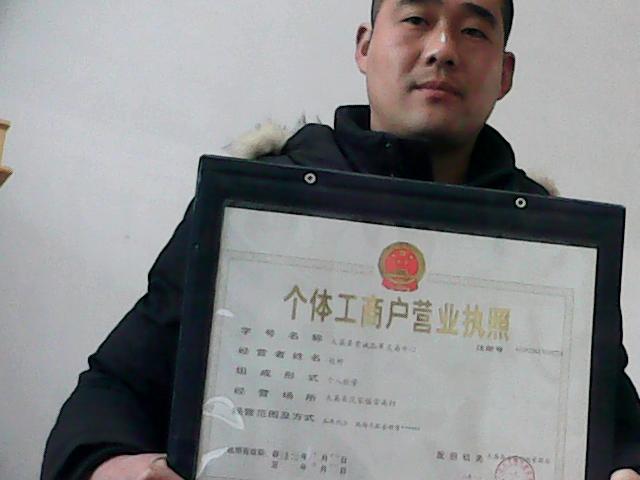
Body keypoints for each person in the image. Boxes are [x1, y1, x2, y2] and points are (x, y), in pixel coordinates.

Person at [41, 0, 640, 479]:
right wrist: (115, 466)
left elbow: (615, 430)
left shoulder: (551, 249)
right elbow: (118, 386)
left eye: (473, 30)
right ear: (364, 46)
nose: (442, 48)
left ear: (504, 73)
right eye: (416, 19)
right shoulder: (257, 205)